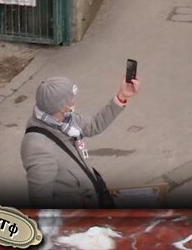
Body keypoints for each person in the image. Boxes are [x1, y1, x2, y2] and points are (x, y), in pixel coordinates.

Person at [21, 74, 141, 207]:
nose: (74, 101)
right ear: (61, 106)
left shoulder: (65, 120)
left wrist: (122, 96)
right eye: (71, 98)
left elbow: (93, 125)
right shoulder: (37, 148)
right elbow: (40, 200)